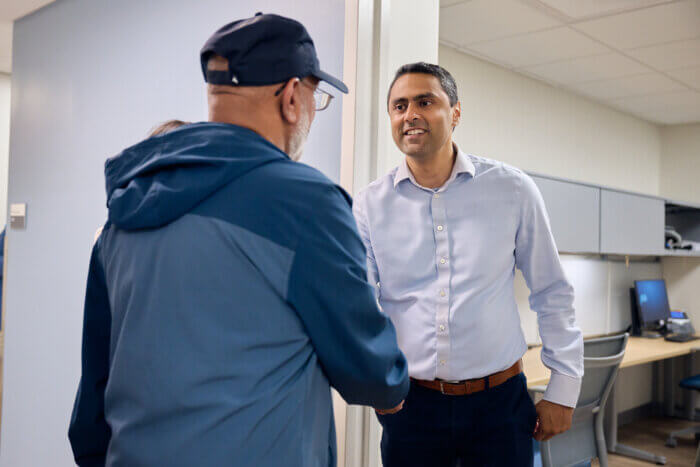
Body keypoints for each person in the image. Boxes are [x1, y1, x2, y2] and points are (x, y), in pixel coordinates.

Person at [68, 14, 408, 467]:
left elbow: (93, 398)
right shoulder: (306, 204)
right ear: (291, 97)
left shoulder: (125, 209)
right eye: (315, 97)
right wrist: (393, 384)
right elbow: (370, 372)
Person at [352, 62, 583, 466]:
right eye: (399, 105)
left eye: (425, 101)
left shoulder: (512, 189)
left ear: (456, 112)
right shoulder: (369, 205)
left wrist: (563, 389)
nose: (410, 115)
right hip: (412, 407)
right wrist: (376, 378)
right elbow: (361, 303)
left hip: (500, 405)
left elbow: (551, 291)